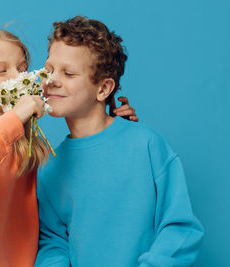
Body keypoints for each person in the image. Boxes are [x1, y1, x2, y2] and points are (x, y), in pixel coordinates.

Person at [0, 30, 137, 267]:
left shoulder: (31, 149)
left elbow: (75, 197)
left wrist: (112, 132)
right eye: (2, 70)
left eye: (22, 68)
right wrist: (12, 121)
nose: (17, 77)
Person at [35, 16, 204, 267]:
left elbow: (180, 227)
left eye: (69, 73)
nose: (52, 80)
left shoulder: (146, 146)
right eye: (49, 70)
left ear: (103, 89)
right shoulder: (49, 168)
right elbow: (53, 240)